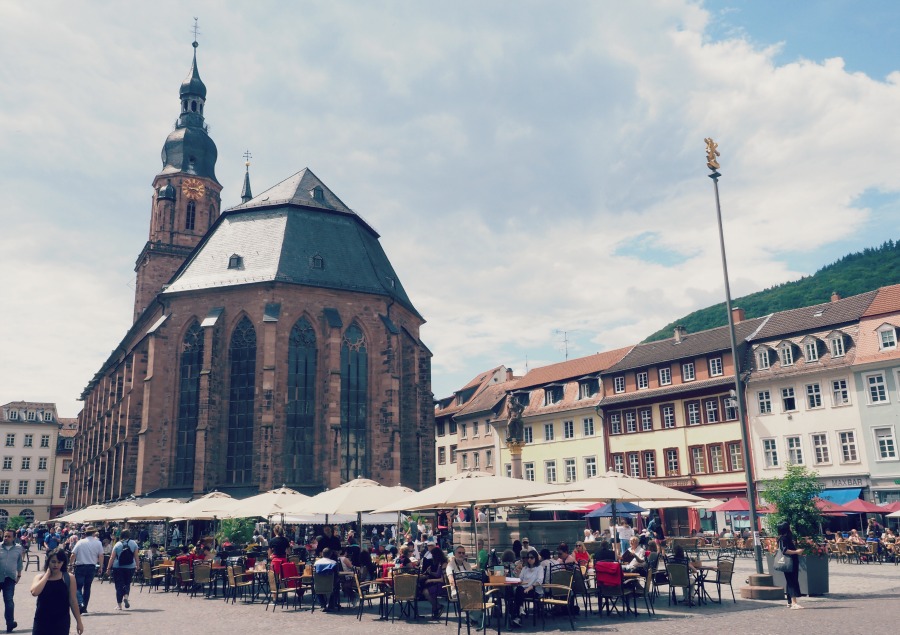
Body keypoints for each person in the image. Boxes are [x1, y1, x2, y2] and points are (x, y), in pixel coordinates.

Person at [30, 548, 83, 635]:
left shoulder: (69, 578)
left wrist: (79, 622)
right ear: (48, 562)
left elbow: (73, 601)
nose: (56, 565)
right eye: (53, 562)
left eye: (59, 562)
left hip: (61, 621)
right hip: (42, 620)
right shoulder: (39, 577)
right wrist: (47, 575)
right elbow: (34, 592)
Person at [70, 526, 103, 614]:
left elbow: (73, 554)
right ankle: (84, 607)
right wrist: (101, 566)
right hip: (91, 567)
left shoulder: (80, 542)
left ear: (85, 533)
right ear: (93, 533)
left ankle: (81, 603)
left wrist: (70, 564)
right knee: (87, 587)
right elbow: (101, 555)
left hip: (80, 566)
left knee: (78, 587)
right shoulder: (98, 543)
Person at [509, 550, 544, 628]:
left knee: (518, 593)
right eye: (528, 557)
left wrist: (530, 588)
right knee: (518, 590)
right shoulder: (525, 568)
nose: (529, 559)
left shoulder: (539, 568)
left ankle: (516, 615)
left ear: (536, 558)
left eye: (532, 557)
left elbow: (539, 581)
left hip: (534, 590)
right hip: (523, 590)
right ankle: (519, 611)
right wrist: (517, 572)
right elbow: (520, 579)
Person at [106, 529, 138, 611]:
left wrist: (108, 568)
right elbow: (136, 556)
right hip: (130, 566)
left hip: (118, 567)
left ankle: (119, 605)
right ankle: (126, 597)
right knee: (127, 583)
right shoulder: (133, 543)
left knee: (119, 585)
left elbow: (112, 557)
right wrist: (138, 565)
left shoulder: (117, 544)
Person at [0, 529, 23, 633]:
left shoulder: (18, 548)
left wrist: (19, 574)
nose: (6, 538)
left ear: (14, 538)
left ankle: (10, 623)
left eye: (9, 536)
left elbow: (19, 562)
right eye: (5, 536)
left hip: (10, 578)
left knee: (9, 601)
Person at [777, 521, 803, 609]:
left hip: (791, 562)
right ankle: (794, 603)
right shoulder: (783, 539)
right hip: (790, 562)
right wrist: (796, 552)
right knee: (792, 581)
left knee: (790, 581)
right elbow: (785, 550)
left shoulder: (784, 538)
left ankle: (789, 602)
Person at [421, 543, 448, 619]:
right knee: (426, 589)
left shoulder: (444, 564)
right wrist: (430, 572)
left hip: (444, 586)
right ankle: (436, 608)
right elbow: (437, 574)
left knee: (426, 592)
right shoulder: (440, 563)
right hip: (440, 584)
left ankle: (438, 606)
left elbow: (443, 579)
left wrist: (430, 580)